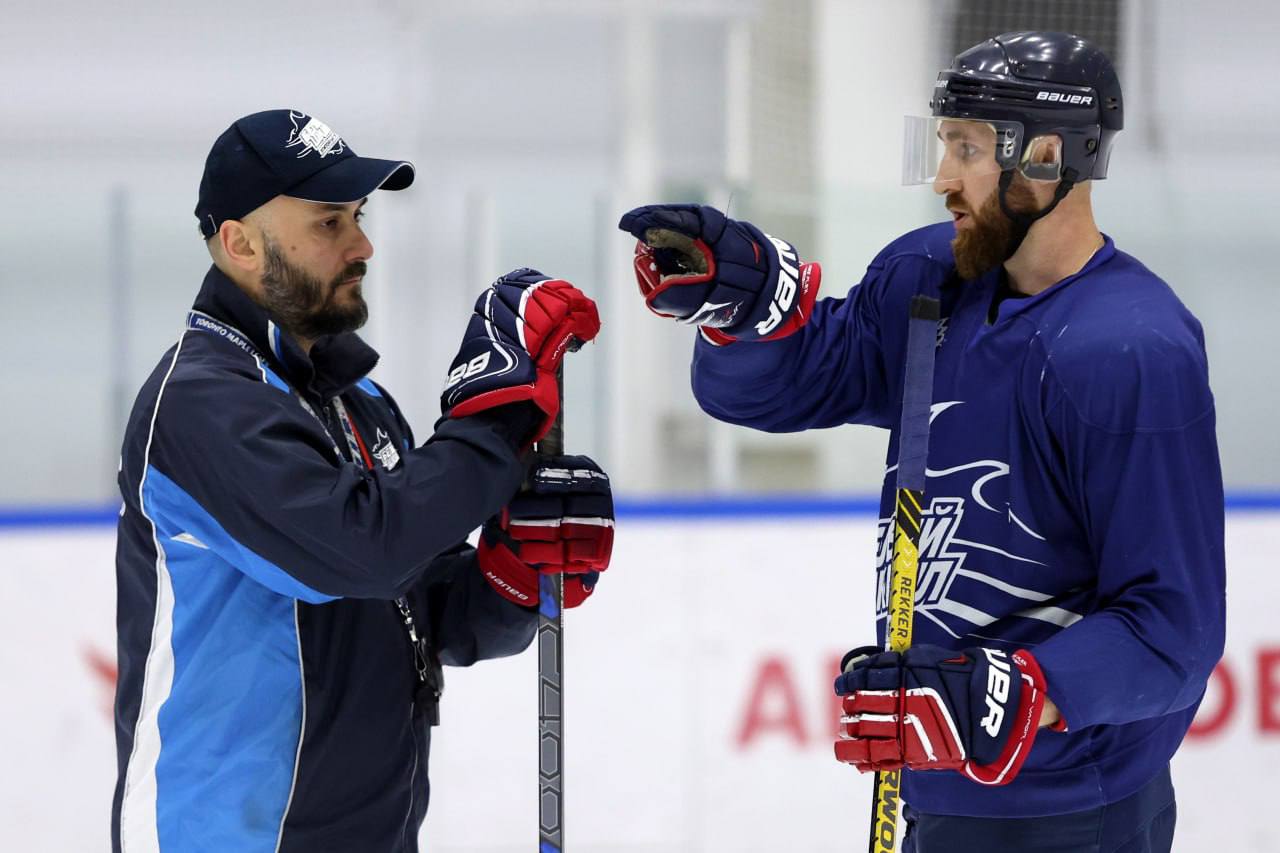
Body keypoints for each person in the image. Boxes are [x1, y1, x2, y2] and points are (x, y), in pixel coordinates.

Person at [618, 32, 1222, 853]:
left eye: (966, 149)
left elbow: (1171, 630)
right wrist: (749, 309)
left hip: (1070, 809)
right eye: (942, 144)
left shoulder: (1132, 348)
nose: (942, 178)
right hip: (936, 784)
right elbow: (786, 383)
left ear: (1046, 155)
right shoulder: (932, 283)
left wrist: (1014, 691)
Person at [111, 109, 613, 852]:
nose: (362, 244)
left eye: (358, 215)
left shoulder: (358, 404)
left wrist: (513, 576)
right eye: (328, 223)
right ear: (239, 243)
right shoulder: (198, 403)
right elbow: (356, 549)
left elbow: (413, 601)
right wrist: (494, 423)